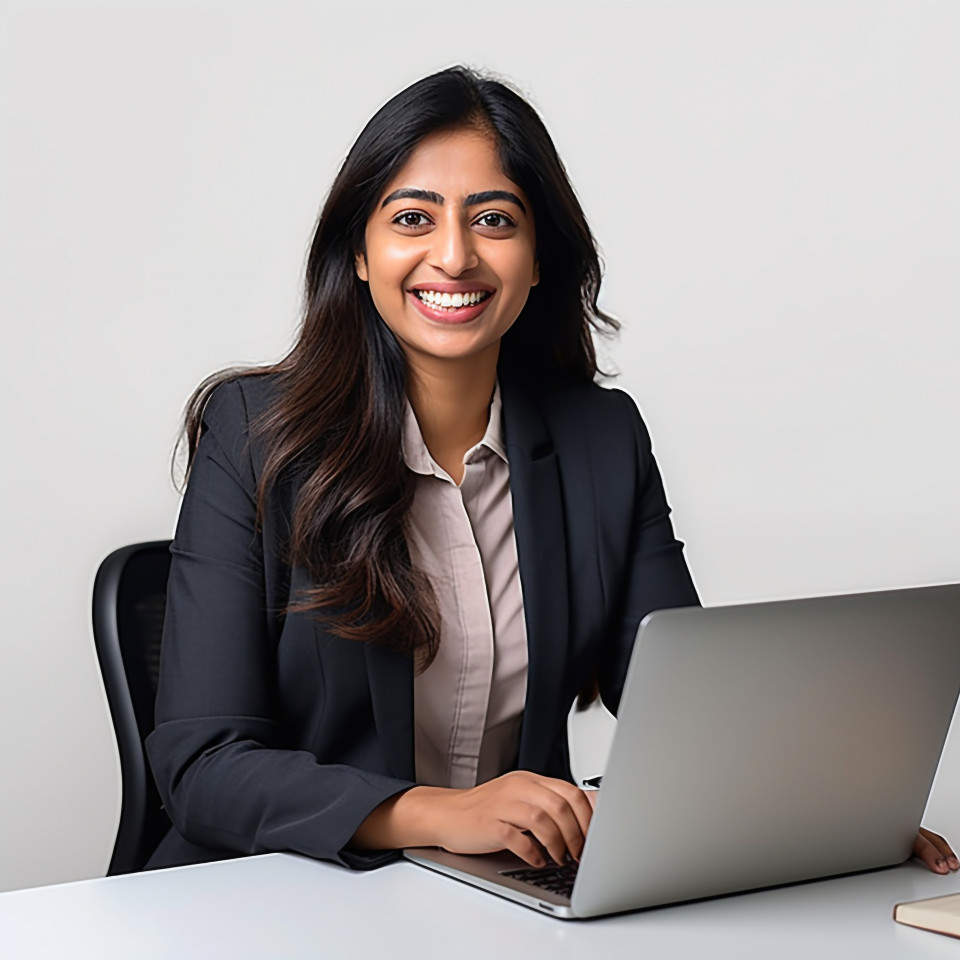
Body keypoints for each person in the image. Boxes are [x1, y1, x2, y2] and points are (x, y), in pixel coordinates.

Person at [145, 66, 957, 876]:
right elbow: (201, 764)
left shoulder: (602, 439)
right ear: (360, 252)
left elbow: (683, 720)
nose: (454, 256)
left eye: (494, 219)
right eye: (413, 218)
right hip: (282, 891)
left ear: (537, 258)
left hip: (505, 893)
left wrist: (830, 811)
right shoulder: (255, 435)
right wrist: (442, 813)